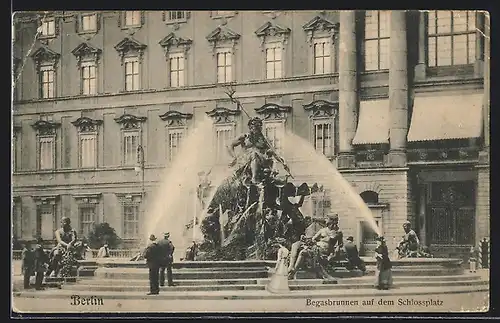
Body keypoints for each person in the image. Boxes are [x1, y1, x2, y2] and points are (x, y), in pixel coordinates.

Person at [228, 117, 289, 185]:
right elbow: (230, 145)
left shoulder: (264, 139)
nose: (257, 129)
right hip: (245, 159)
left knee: (254, 154)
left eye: (259, 127)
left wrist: (283, 163)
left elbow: (274, 153)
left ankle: (255, 178)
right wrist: (234, 157)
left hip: (261, 160)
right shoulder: (244, 137)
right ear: (250, 127)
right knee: (251, 156)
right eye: (255, 127)